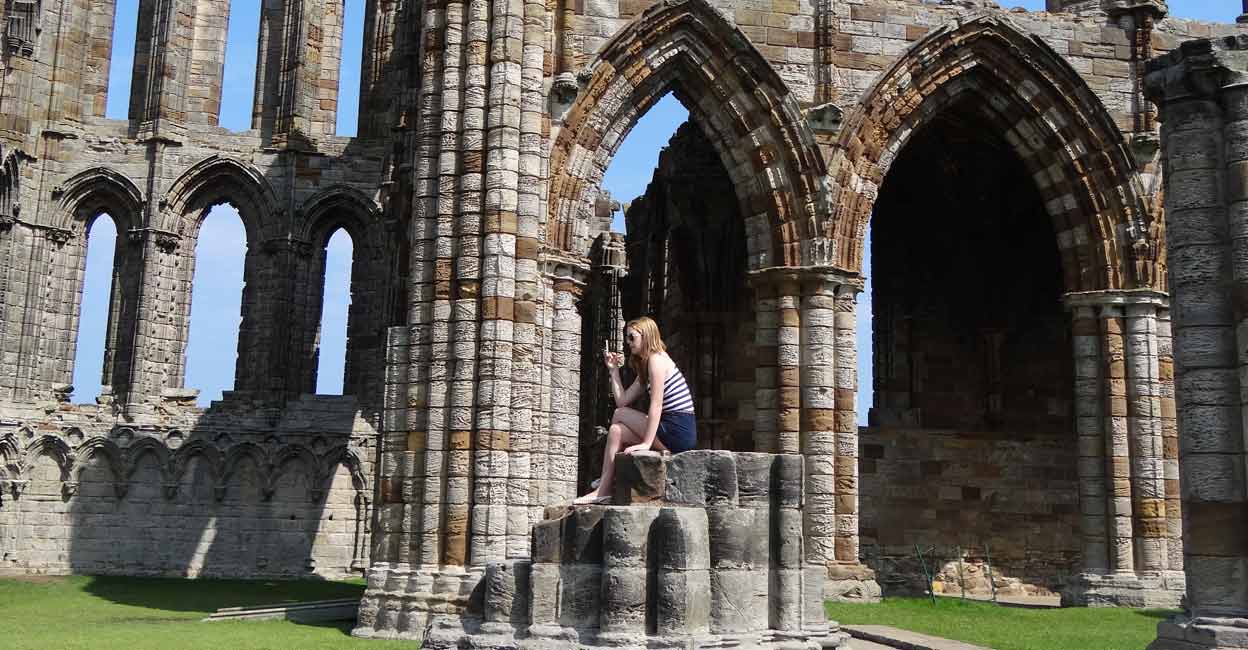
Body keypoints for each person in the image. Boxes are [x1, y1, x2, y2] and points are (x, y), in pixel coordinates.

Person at [574, 316, 696, 505]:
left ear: (646, 336)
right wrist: (613, 371)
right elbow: (622, 400)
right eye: (627, 338)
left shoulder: (657, 360)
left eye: (632, 337)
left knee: (620, 415)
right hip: (668, 428)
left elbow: (656, 404)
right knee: (616, 431)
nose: (628, 342)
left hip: (678, 431)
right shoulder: (647, 365)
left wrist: (646, 443)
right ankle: (603, 490)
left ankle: (609, 479)